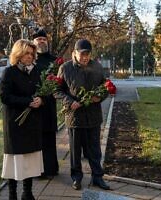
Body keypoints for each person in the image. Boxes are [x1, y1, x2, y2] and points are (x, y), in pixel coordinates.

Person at [56, 39, 110, 190]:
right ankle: (76, 178)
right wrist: (68, 101)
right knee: (75, 150)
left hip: (93, 115)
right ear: (74, 53)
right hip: (74, 116)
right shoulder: (65, 68)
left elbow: (105, 87)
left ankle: (97, 177)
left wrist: (100, 97)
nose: (85, 57)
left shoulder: (97, 67)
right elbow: (57, 90)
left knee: (95, 149)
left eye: (87, 54)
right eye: (82, 54)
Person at [0, 39, 44, 200]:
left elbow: (43, 92)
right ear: (18, 53)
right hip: (15, 123)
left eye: (32, 54)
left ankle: (27, 192)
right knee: (15, 161)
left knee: (30, 159)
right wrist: (27, 101)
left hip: (32, 123)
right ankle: (12, 194)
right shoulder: (9, 72)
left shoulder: (37, 71)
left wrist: (41, 100)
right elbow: (5, 97)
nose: (30, 57)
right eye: (27, 53)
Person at [32, 28, 59, 178]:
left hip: (49, 103)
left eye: (44, 39)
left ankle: (51, 169)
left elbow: (59, 80)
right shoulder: (31, 59)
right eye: (38, 39)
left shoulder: (54, 60)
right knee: (37, 138)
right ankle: (38, 170)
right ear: (34, 42)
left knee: (49, 137)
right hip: (34, 104)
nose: (42, 41)